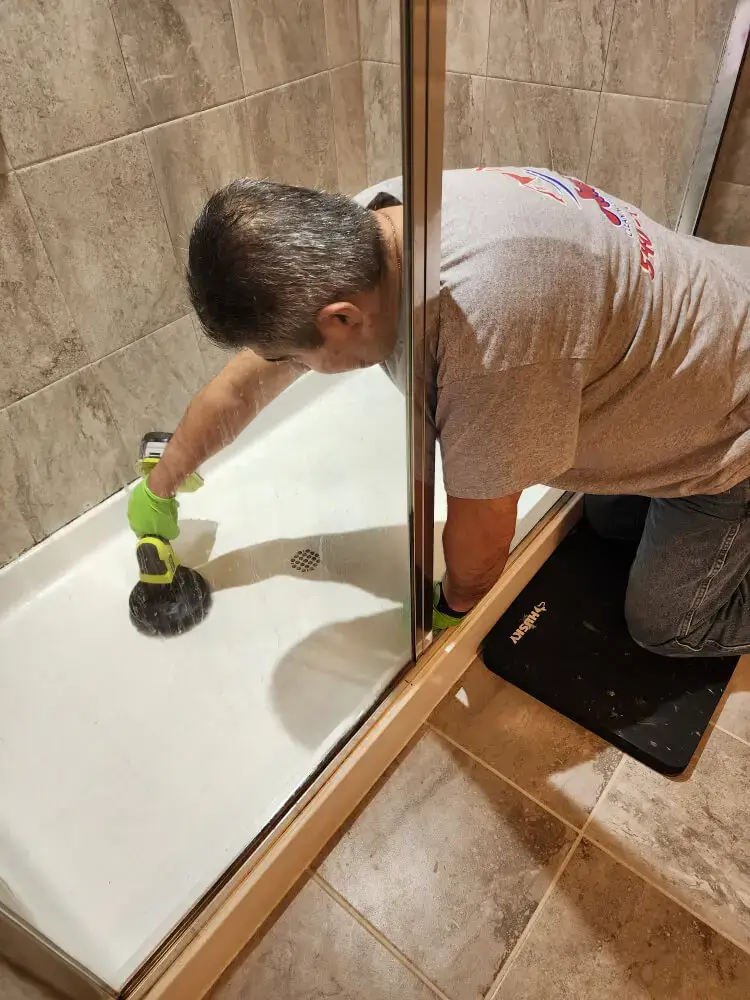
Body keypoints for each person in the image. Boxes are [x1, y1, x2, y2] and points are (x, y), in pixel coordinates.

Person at [127, 168, 750, 655]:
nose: (290, 367)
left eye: (294, 357)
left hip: (731, 418)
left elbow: (482, 552)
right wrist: (163, 483)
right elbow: (242, 389)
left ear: (342, 319)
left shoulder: (485, 333)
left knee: (667, 626)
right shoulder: (373, 223)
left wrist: (442, 616)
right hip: (715, 307)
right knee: (609, 524)